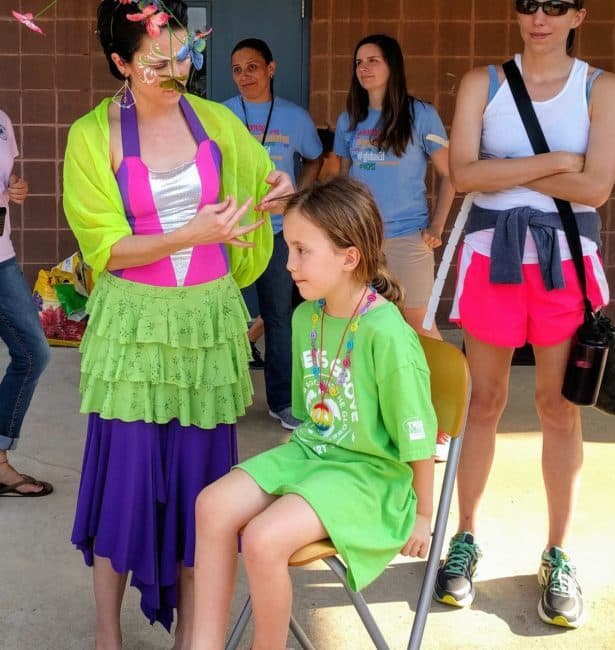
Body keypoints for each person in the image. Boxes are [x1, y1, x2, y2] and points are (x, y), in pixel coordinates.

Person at [63, 2, 293, 648]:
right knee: (124, 487)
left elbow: (260, 181)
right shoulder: (92, 135)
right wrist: (190, 233)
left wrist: (276, 186)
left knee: (202, 493)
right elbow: (104, 248)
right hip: (134, 331)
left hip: (206, 329)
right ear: (120, 63)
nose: (176, 73)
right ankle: (108, 636)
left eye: (184, 56)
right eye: (156, 64)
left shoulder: (215, 120)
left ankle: (195, 636)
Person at [435, 0, 615, 629]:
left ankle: (559, 551)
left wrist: (505, 175)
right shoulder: (481, 82)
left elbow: (597, 187)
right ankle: (465, 536)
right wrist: (554, 164)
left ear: (579, 14)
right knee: (482, 401)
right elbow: (463, 175)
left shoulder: (602, 87)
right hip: (493, 258)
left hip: (564, 261)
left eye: (556, 4)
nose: (539, 16)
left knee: (557, 406)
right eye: (527, 4)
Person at [191, 176, 438, 649]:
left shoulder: (387, 334)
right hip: (316, 452)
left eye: (303, 250)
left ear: (350, 257)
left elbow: (417, 433)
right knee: (212, 505)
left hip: (369, 476)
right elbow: (315, 417)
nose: (289, 264)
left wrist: (424, 514)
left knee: (263, 538)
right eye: (289, 248)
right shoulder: (308, 317)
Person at [223, 38, 324, 430]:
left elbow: (316, 157)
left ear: (271, 69)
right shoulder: (222, 115)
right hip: (228, 231)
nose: (244, 76)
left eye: (252, 67)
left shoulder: (295, 118)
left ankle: (281, 401)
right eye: (236, 69)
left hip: (278, 233)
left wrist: (298, 195)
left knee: (280, 318)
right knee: (221, 317)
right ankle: (222, 396)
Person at [334, 34, 455, 341]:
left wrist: (437, 226)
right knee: (364, 325)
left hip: (407, 238)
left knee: (418, 323)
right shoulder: (349, 118)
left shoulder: (421, 115)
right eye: (358, 63)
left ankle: (445, 390)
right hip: (360, 240)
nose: (364, 68)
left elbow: (451, 173)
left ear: (393, 65)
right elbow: (342, 181)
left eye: (373, 61)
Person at [0, 108, 52, 498]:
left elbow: (8, 181)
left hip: (1, 257)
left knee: (33, 352)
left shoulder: (2, 120)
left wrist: (15, 187)